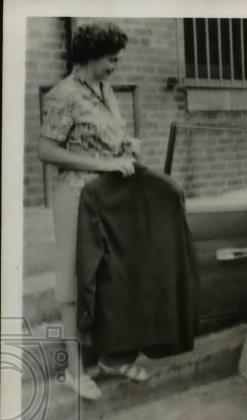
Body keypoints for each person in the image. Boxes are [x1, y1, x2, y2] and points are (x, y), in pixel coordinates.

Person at [38, 21, 147, 400]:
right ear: (88, 57)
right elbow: (46, 151)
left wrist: (125, 147)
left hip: (108, 196)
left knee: (106, 276)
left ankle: (108, 359)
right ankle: (73, 369)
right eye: (110, 60)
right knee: (73, 280)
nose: (114, 66)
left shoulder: (105, 90)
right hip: (75, 197)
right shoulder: (63, 95)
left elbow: (105, 140)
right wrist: (103, 164)